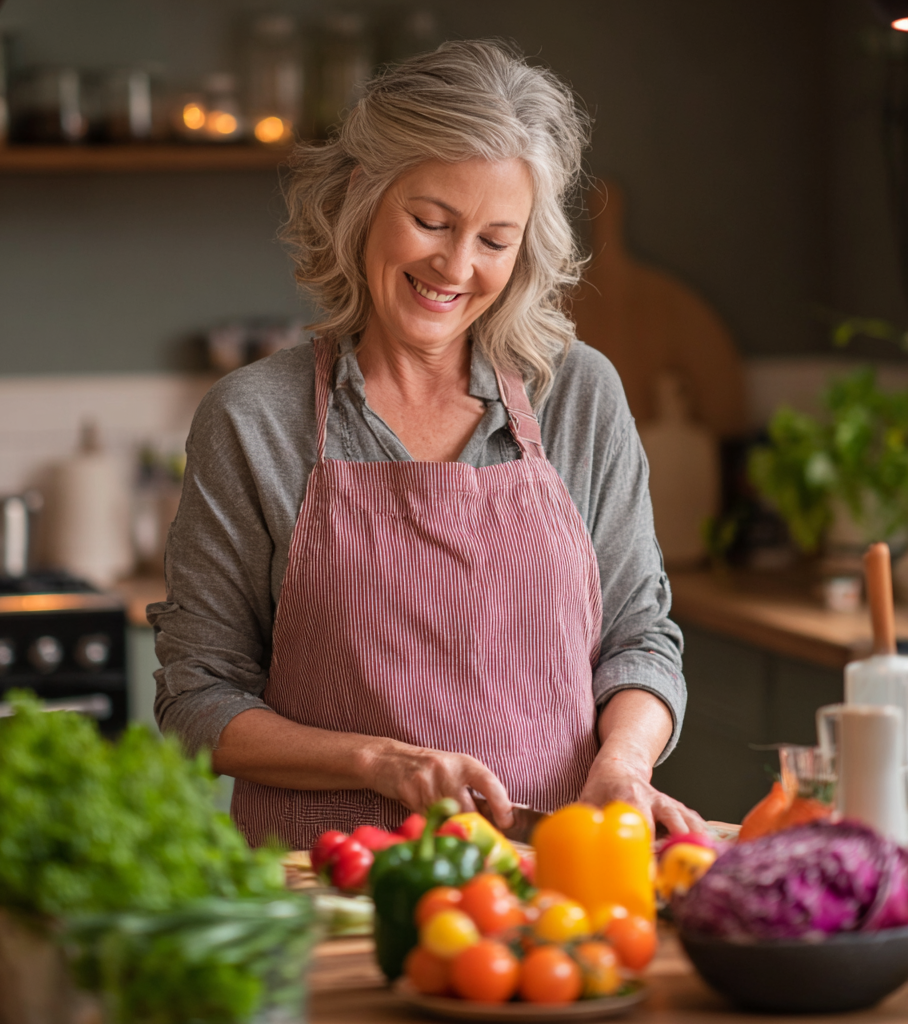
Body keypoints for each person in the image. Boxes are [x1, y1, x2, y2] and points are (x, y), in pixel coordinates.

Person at [148, 40, 704, 848]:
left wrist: (623, 763)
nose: (456, 265)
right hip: (327, 887)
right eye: (431, 221)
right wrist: (381, 763)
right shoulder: (253, 419)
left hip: (549, 879)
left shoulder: (578, 394)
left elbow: (639, 639)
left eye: (495, 239)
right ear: (359, 198)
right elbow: (198, 700)